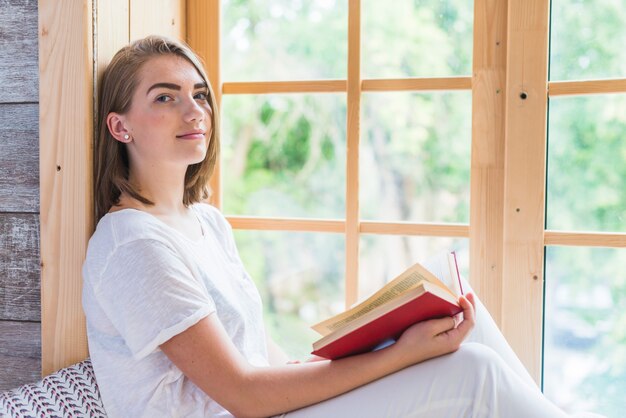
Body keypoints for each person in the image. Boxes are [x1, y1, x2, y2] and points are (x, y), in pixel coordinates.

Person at [82, 35, 597, 418]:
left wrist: (377, 341)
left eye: (199, 95)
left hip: (269, 404)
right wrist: (400, 354)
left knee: (461, 310)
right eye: (165, 97)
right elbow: (241, 393)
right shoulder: (132, 244)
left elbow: (264, 359)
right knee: (475, 371)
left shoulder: (206, 224)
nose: (194, 111)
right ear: (120, 126)